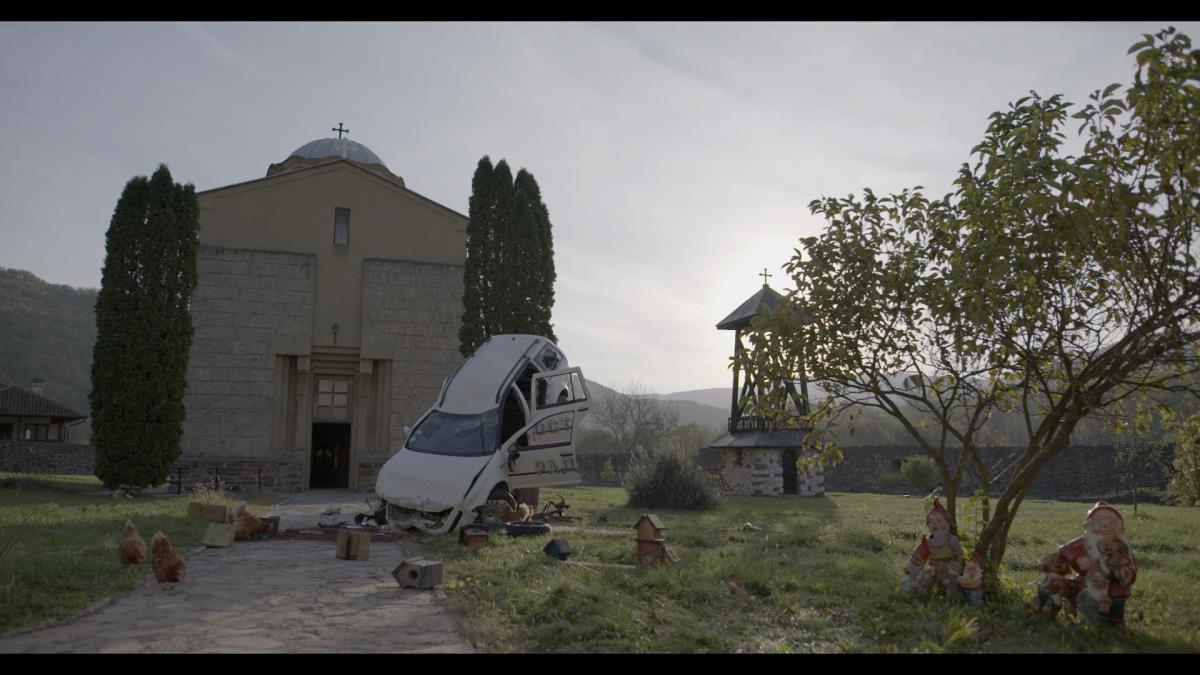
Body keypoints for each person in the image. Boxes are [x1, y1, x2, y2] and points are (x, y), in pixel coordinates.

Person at [1040, 501, 1137, 625]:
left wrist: (1125, 574)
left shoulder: (1121, 547)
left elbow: (1131, 564)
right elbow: (1064, 549)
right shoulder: (1085, 542)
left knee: (1116, 597)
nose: (1105, 526)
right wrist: (1077, 559)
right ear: (1088, 526)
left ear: (1120, 527)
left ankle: (1112, 623)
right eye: (1099, 522)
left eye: (1111, 523)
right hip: (1086, 580)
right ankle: (1062, 613)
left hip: (1113, 585)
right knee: (1062, 586)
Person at [901, 497, 964, 600]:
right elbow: (919, 554)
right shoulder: (928, 541)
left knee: (951, 580)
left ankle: (953, 598)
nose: (936, 524)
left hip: (950, 565)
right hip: (934, 565)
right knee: (926, 577)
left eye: (939, 521)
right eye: (932, 522)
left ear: (946, 523)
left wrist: (958, 565)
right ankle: (921, 595)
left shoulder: (952, 540)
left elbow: (959, 554)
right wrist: (913, 565)